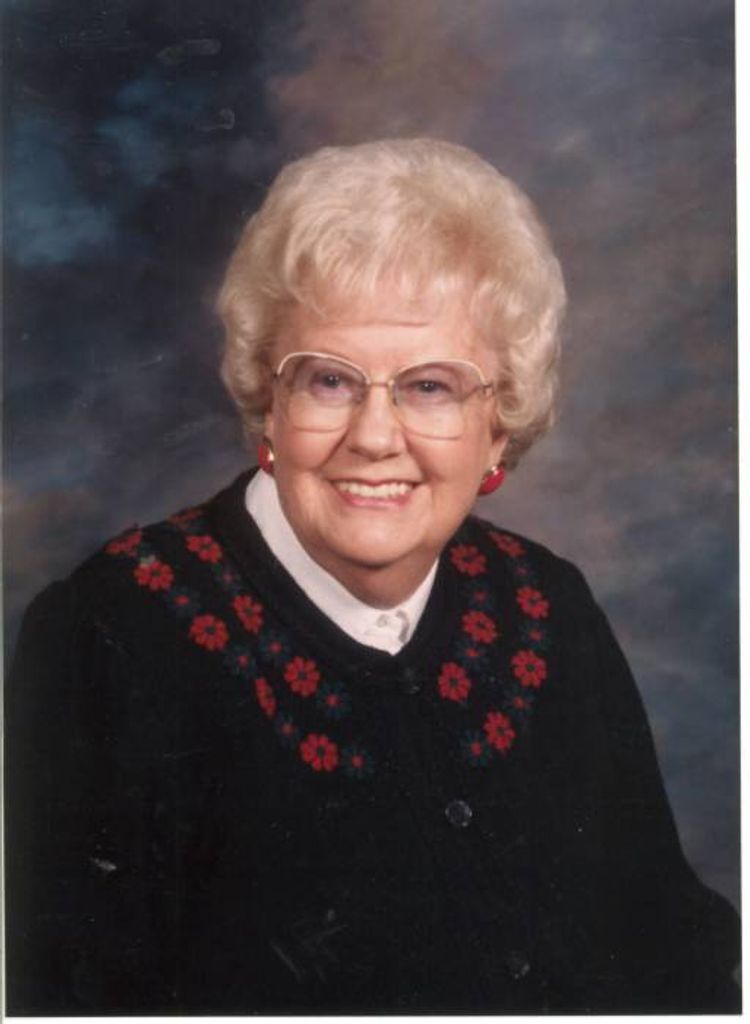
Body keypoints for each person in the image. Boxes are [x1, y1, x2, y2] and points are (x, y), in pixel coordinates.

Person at [6, 138, 740, 1014]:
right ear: (267, 403)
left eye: (431, 387)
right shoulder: (112, 633)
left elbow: (669, 952)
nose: (376, 437)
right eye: (329, 381)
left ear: (499, 425)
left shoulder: (546, 606)